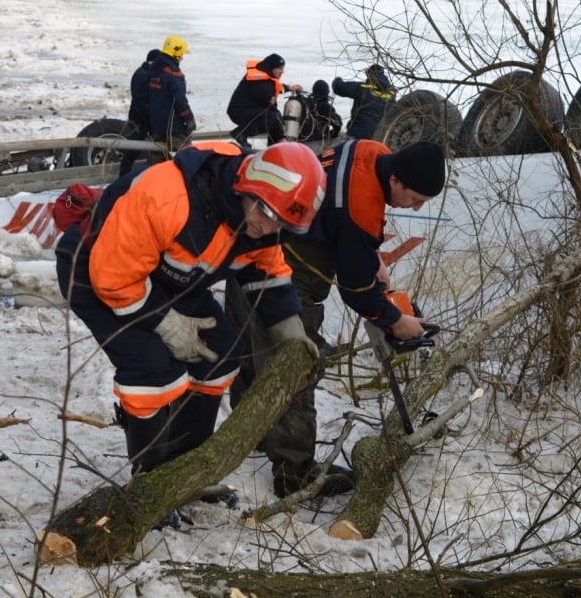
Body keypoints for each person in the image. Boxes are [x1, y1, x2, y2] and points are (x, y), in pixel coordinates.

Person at [55, 140, 326, 479]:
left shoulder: (260, 227)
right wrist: (167, 325)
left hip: (167, 278)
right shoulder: (168, 198)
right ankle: (151, 477)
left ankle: (186, 468)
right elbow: (112, 277)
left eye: (282, 224)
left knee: (220, 353)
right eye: (268, 214)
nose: (268, 228)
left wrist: (292, 335)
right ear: (246, 186)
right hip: (97, 271)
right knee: (151, 368)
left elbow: (268, 275)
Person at [226, 137, 447, 497]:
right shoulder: (361, 207)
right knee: (298, 365)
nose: (417, 208)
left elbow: (342, 216)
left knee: (252, 351)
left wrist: (369, 255)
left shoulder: (370, 150)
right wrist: (395, 320)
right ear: (395, 180)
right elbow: (355, 289)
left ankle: (250, 434)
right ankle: (294, 473)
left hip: (249, 250)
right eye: (415, 199)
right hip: (283, 272)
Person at [227, 53, 303, 147]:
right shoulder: (261, 84)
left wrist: (289, 88)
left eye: (283, 68)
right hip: (239, 112)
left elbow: (275, 87)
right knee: (273, 117)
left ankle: (275, 145)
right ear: (271, 68)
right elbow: (272, 109)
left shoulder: (265, 75)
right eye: (280, 68)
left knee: (274, 118)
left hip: (247, 109)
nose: (282, 71)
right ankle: (241, 133)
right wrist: (281, 136)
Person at [148, 35, 196, 155]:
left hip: (155, 124)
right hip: (172, 126)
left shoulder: (154, 69)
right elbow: (180, 101)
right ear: (176, 54)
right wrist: (189, 119)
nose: (182, 58)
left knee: (158, 157)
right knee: (187, 154)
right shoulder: (173, 74)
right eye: (182, 55)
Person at [119, 48, 163, 177]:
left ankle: (125, 177)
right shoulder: (142, 76)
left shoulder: (144, 73)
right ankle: (123, 177)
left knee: (136, 150)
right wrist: (149, 121)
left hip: (141, 119)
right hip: (139, 120)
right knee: (133, 151)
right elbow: (140, 102)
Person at [332, 64, 397, 139]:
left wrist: (338, 79)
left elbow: (338, 87)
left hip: (358, 134)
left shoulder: (362, 88)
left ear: (370, 74)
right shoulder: (391, 93)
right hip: (380, 136)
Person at [299, 79, 342, 145]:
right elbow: (338, 124)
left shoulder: (305, 103)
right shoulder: (325, 106)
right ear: (326, 92)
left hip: (301, 141)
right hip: (318, 142)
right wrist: (331, 135)